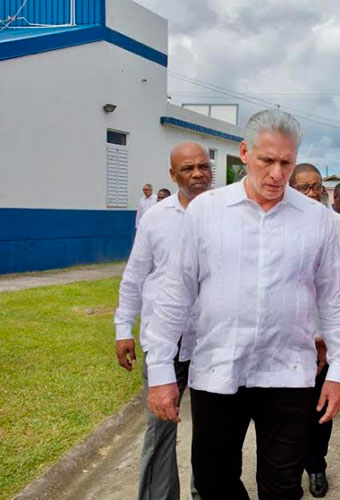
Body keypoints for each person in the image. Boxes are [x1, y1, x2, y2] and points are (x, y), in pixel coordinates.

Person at [145, 109, 340, 500]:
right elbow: (175, 294)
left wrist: (339, 367)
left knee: (282, 486)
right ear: (244, 152)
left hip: (288, 373)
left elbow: (333, 297)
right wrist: (160, 370)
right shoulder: (206, 212)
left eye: (286, 162)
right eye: (267, 160)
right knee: (213, 481)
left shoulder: (316, 219)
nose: (277, 173)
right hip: (218, 370)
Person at [114, 142, 212, 500]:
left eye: (203, 166)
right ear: (173, 175)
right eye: (188, 168)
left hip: (210, 345)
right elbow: (135, 276)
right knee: (159, 432)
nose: (198, 173)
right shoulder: (155, 217)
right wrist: (123, 328)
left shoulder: (228, 214)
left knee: (211, 435)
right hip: (164, 345)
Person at [289, 162, 340, 497]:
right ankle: (287, 471)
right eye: (304, 187)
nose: (312, 193)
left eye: (317, 186)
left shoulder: (338, 225)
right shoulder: (277, 225)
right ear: (290, 188)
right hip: (286, 341)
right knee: (287, 411)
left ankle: (316, 467)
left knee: (320, 409)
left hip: (326, 340)